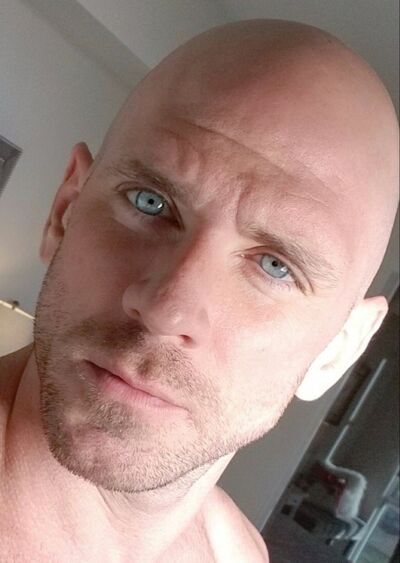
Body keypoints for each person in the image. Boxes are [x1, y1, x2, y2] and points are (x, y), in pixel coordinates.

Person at [0, 18, 398, 562]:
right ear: (65, 211)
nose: (167, 309)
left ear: (338, 350)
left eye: (275, 266)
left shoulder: (242, 553)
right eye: (149, 202)